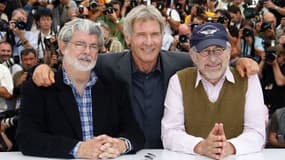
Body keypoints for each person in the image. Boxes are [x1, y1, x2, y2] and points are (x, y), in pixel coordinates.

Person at [32, 5, 259, 149]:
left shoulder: (179, 62)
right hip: (124, 154)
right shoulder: (106, 64)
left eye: (154, 35)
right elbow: (77, 64)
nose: (148, 42)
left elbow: (211, 61)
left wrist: (239, 62)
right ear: (128, 38)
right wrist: (44, 69)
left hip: (169, 153)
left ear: (163, 38)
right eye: (141, 35)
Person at [16, 18, 144, 159]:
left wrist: (121, 145)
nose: (87, 51)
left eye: (93, 46)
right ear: (63, 46)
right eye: (80, 44)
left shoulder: (115, 87)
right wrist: (78, 148)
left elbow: (135, 133)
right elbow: (27, 138)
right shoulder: (38, 88)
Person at [161, 22, 266, 159]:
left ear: (228, 52)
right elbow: (170, 133)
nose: (213, 58)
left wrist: (228, 147)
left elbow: (257, 133)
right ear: (193, 56)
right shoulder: (178, 81)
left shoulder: (248, 79)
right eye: (205, 51)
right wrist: (201, 146)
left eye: (218, 50)